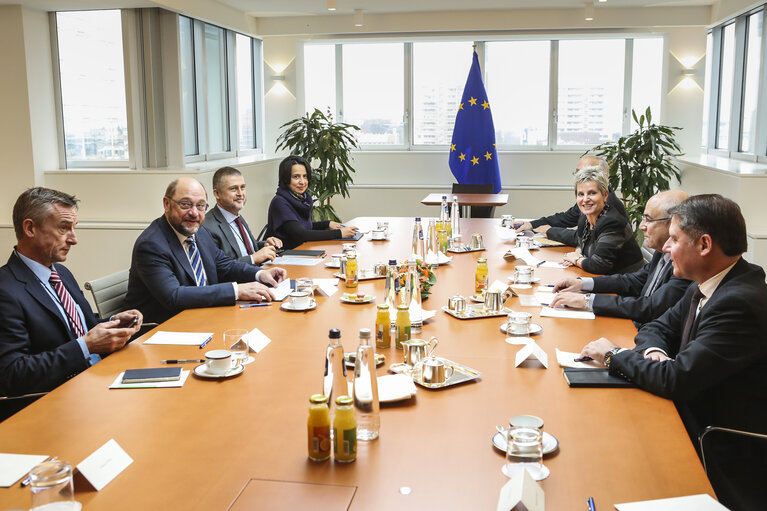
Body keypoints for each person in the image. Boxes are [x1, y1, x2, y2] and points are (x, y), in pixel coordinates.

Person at [578, 194, 767, 510]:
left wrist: (612, 355)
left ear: (704, 245)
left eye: (675, 239)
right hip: (686, 408)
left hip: (718, 440)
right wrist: (655, 352)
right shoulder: (709, 281)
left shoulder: (739, 303)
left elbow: (677, 380)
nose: (665, 248)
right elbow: (656, 327)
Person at [0, 188, 142, 397]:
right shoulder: (6, 290)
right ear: (30, 228)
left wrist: (113, 322)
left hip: (100, 378)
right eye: (63, 228)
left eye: (74, 228)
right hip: (60, 398)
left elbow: (78, 327)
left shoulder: (61, 273)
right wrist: (85, 346)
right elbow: (12, 375)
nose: (74, 239)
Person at [124, 178, 287, 324]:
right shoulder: (151, 245)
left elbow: (225, 265)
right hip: (163, 330)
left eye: (201, 206)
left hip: (204, 317)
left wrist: (259, 274)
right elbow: (173, 296)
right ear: (167, 204)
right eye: (185, 204)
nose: (194, 213)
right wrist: (237, 290)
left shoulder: (199, 232)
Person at [550, 190, 692, 327]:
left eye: (648, 220)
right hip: (638, 325)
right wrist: (582, 284)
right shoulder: (661, 252)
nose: (641, 226)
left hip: (646, 332)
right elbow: (634, 281)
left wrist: (587, 301)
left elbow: (651, 307)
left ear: (673, 223)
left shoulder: (685, 265)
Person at [545, 167, 643, 275]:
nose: (585, 199)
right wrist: (577, 253)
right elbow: (581, 241)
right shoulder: (585, 217)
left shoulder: (612, 222)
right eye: (581, 194)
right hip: (604, 279)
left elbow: (599, 265)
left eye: (592, 193)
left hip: (625, 285)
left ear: (605, 195)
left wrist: (576, 260)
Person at [514, 155, 628, 234]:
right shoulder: (588, 199)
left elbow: (587, 239)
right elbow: (565, 218)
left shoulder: (608, 204)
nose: (580, 177)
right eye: (578, 173)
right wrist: (531, 224)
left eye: (587, 173)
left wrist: (550, 231)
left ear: (604, 175)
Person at [265, 155, 358, 250]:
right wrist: (340, 233)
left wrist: (327, 224)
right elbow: (300, 234)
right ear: (286, 178)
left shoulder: (302, 198)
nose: (302, 182)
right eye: (296, 177)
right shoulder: (280, 201)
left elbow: (304, 227)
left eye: (305, 176)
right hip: (282, 256)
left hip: (300, 251)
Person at [204, 166, 283, 264]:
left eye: (242, 187)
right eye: (233, 189)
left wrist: (265, 245)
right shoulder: (207, 227)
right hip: (242, 278)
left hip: (259, 273)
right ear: (217, 194)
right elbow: (219, 267)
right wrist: (253, 259)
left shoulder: (237, 217)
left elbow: (247, 249)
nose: (240, 193)